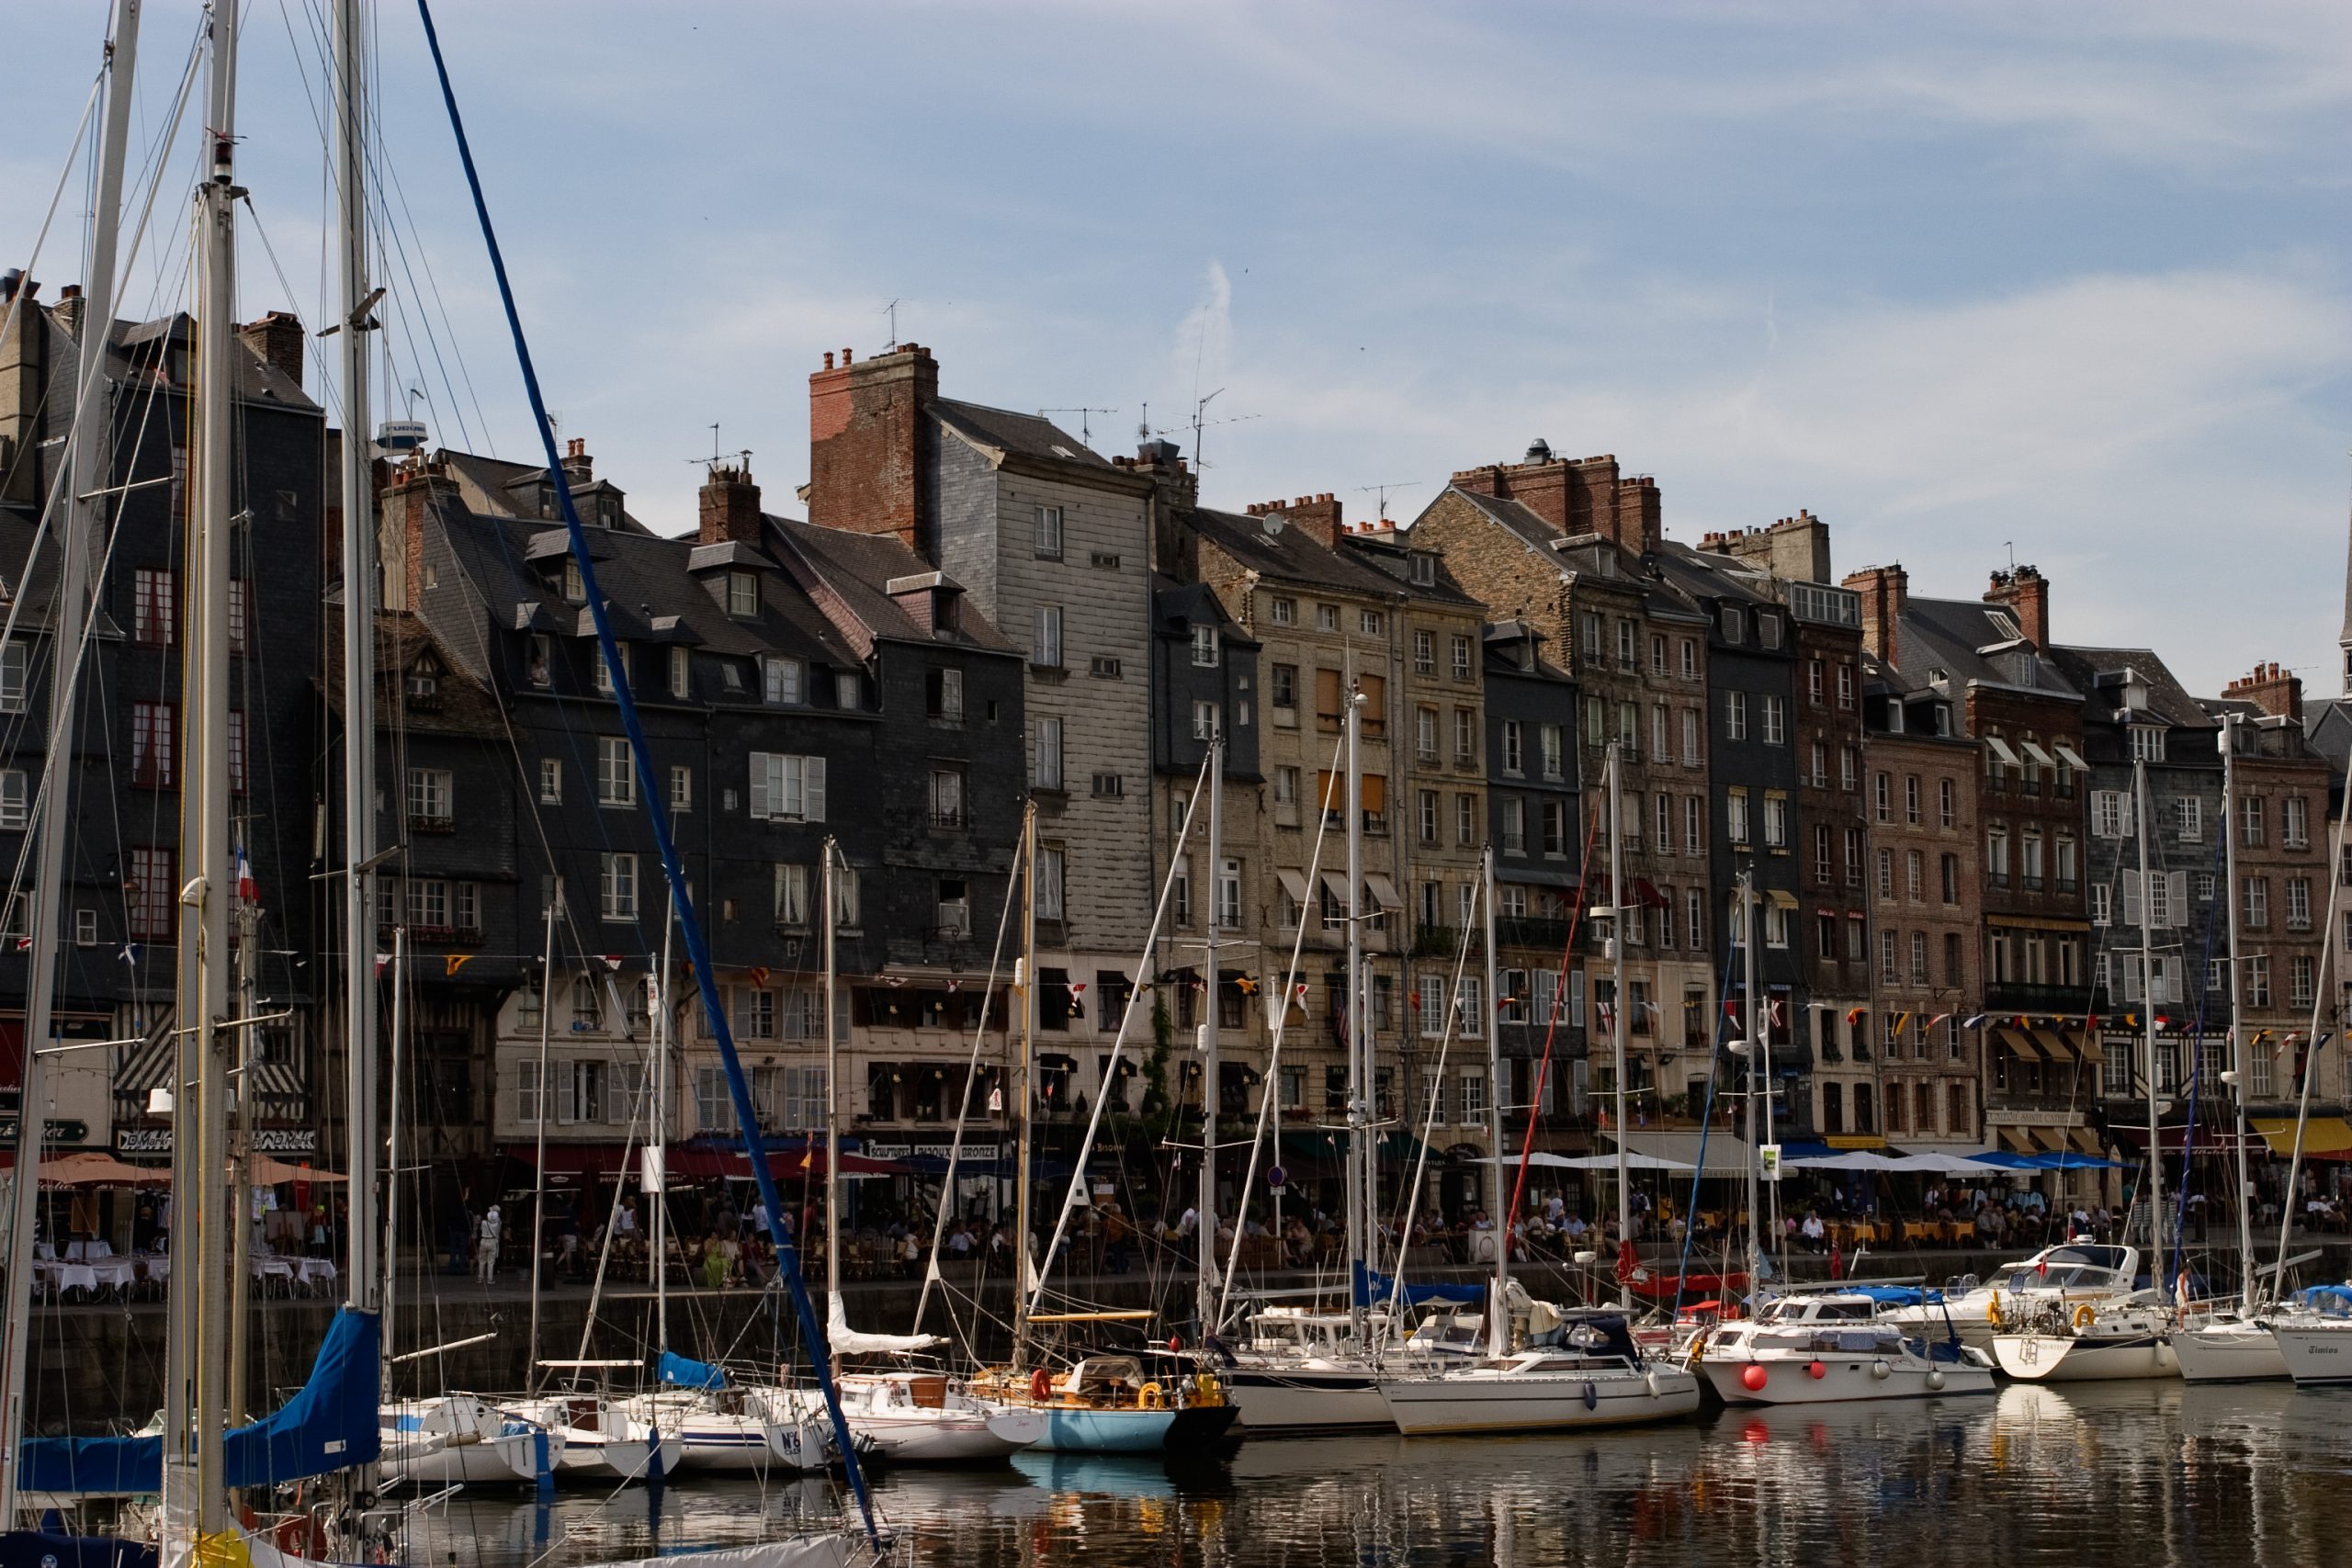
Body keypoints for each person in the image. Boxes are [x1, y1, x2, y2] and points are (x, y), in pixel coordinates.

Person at [475, 1203, 502, 1283]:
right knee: (491, 1262)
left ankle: (480, 1278)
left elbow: (481, 1228)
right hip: (492, 1241)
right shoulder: (497, 1223)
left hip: (484, 1240)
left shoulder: (483, 1222)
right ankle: (490, 1279)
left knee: (482, 1261)